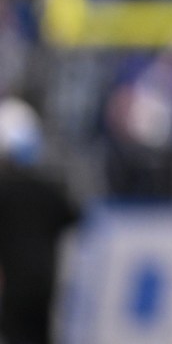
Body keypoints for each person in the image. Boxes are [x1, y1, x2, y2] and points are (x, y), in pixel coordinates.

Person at [0, 97, 82, 344]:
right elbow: (75, 217)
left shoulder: (5, 190)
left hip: (13, 286)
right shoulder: (48, 187)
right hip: (45, 282)